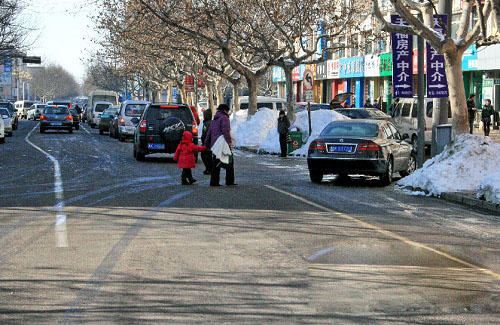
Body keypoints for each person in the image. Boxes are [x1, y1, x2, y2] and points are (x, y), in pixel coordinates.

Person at [204, 104, 236, 186]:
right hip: (223, 143)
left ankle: (214, 182)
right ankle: (229, 181)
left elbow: (209, 132)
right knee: (229, 162)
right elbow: (226, 131)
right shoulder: (224, 118)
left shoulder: (214, 119)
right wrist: (229, 142)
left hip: (215, 145)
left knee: (215, 164)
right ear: (225, 110)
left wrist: (206, 143)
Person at [200, 108, 213, 175]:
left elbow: (205, 134)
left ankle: (209, 169)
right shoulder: (209, 122)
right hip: (209, 142)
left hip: (207, 143)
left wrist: (204, 141)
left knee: (205, 155)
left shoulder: (207, 123)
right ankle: (209, 168)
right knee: (208, 156)